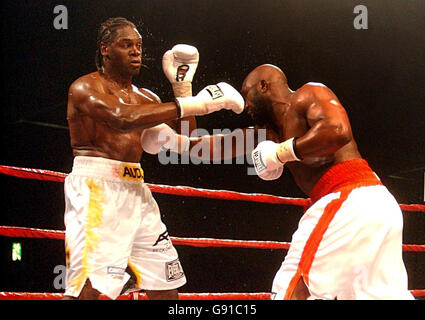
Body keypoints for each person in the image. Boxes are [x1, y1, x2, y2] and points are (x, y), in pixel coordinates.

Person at [63, 17, 244, 300]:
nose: (136, 52)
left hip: (137, 192)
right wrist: (199, 103)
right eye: (126, 45)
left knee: (165, 284)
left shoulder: (146, 96)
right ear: (105, 49)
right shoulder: (85, 88)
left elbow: (186, 137)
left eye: (138, 46)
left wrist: (182, 88)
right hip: (97, 190)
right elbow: (123, 118)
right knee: (90, 289)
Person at [242, 64, 414, 300]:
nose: (244, 105)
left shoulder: (307, 95)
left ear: (263, 86)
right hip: (374, 204)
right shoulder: (269, 131)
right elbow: (209, 146)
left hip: (347, 199)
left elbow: (336, 131)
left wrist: (281, 153)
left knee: (290, 290)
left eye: (246, 95)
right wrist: (199, 103)